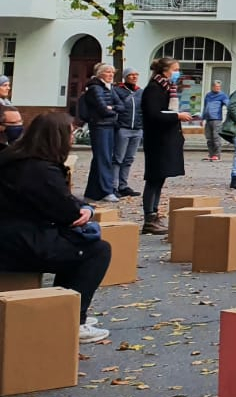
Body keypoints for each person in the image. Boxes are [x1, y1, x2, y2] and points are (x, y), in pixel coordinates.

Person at [0, 112, 114, 343]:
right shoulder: (41, 171)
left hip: (12, 235)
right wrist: (84, 211)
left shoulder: (12, 158)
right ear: (58, 137)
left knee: (72, 246)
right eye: (71, 133)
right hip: (19, 243)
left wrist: (82, 208)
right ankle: (72, 318)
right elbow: (67, 213)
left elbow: (63, 201)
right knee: (97, 250)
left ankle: (63, 308)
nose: (73, 139)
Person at [140, 57, 192, 235]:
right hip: (157, 141)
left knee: (160, 179)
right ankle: (149, 217)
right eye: (175, 69)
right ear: (165, 70)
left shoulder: (167, 88)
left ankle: (154, 214)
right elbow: (154, 115)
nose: (178, 72)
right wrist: (177, 116)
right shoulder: (154, 89)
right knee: (154, 178)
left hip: (166, 139)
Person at [81, 64, 123, 203]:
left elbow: (122, 105)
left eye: (112, 72)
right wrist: (111, 110)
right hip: (99, 126)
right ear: (100, 74)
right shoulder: (95, 88)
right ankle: (107, 190)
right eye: (107, 72)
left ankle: (92, 192)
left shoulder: (109, 88)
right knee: (103, 158)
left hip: (109, 125)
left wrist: (112, 108)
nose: (111, 75)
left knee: (100, 158)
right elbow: (103, 109)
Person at [112, 68, 142, 198]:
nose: (134, 77)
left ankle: (123, 186)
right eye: (131, 75)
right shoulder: (118, 91)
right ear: (125, 77)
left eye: (136, 74)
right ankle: (113, 186)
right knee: (118, 159)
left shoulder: (141, 92)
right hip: (123, 128)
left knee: (129, 159)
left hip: (137, 129)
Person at [200, 80, 227, 161]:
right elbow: (205, 107)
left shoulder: (222, 95)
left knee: (216, 137)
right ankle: (211, 154)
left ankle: (217, 155)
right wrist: (202, 118)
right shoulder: (208, 95)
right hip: (208, 119)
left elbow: (228, 104)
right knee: (209, 138)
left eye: (219, 87)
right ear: (212, 87)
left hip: (217, 119)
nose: (218, 88)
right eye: (216, 87)